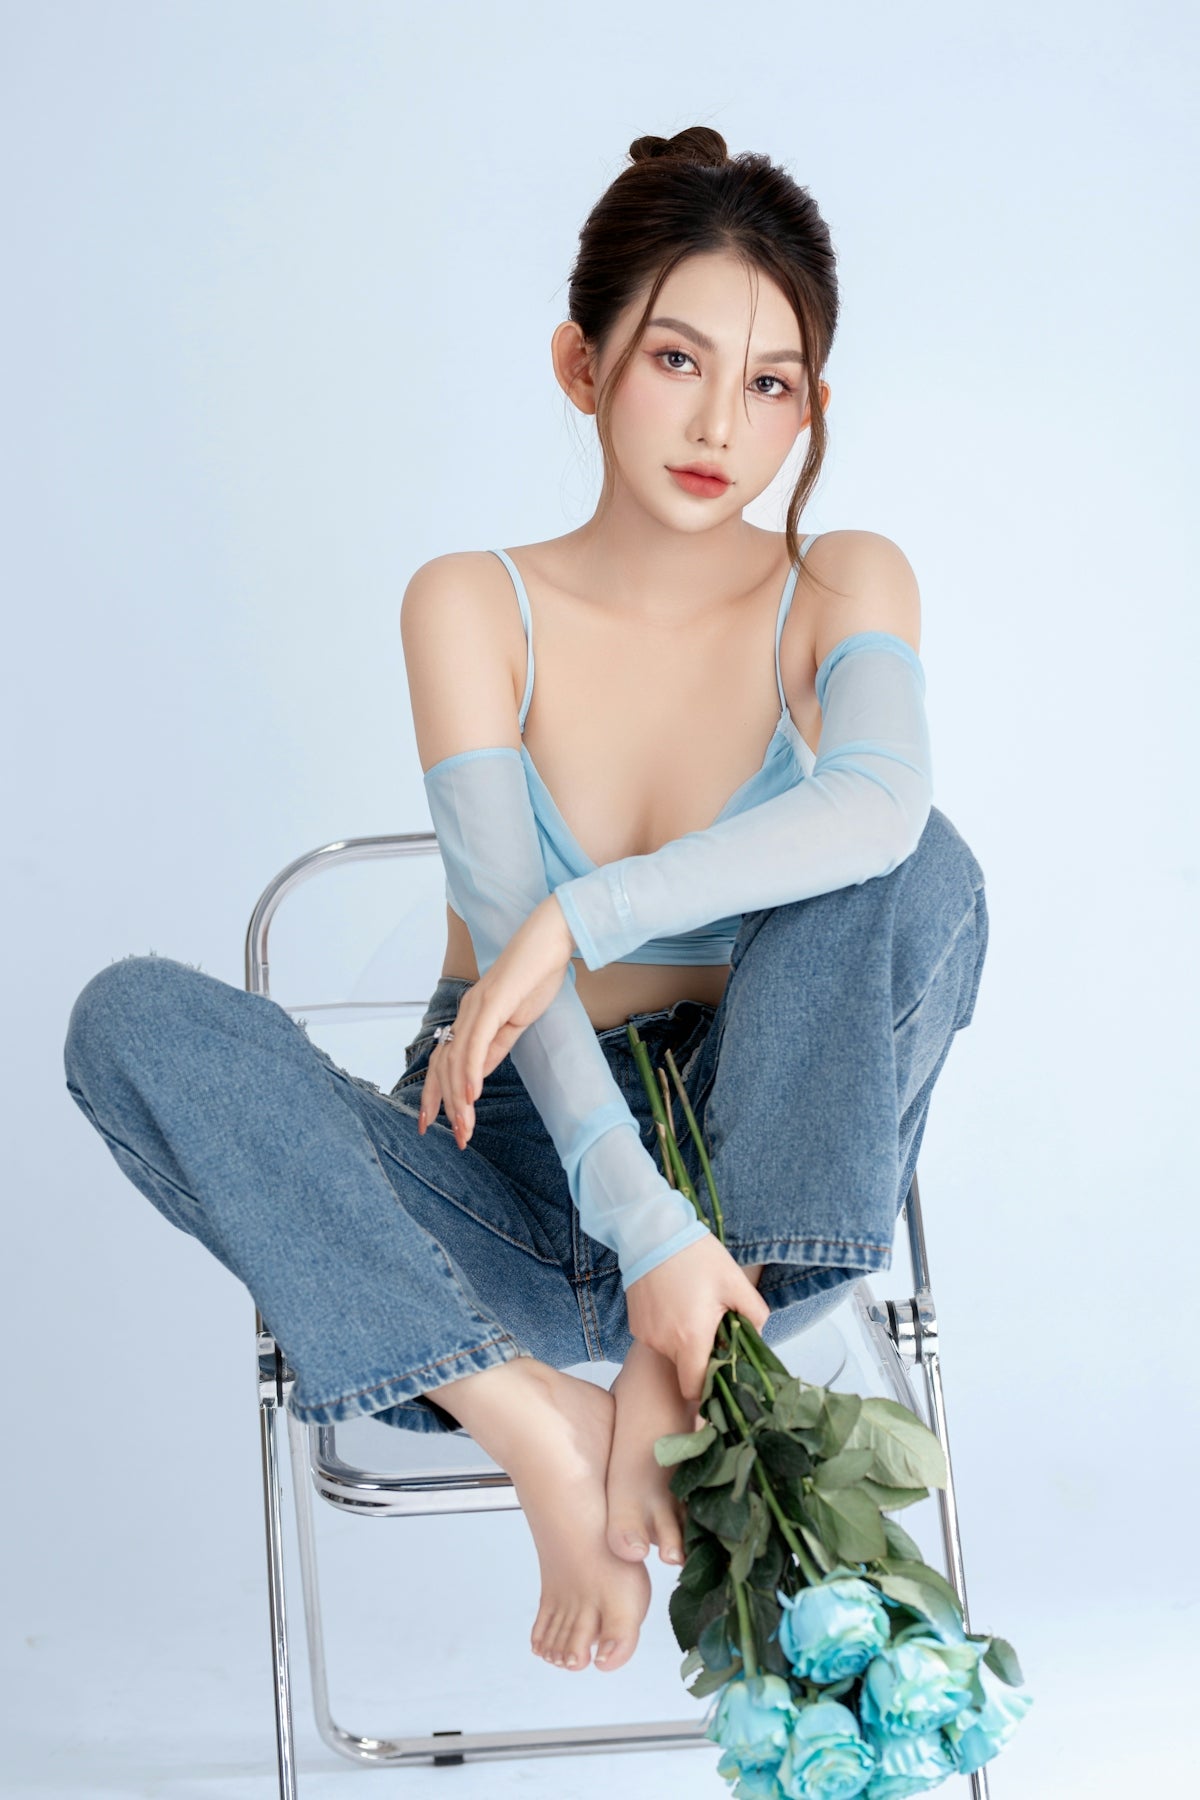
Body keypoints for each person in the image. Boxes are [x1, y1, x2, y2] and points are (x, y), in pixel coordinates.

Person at [62, 126, 989, 1684]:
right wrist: (641, 1235)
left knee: (922, 862)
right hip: (501, 1165)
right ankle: (540, 1422)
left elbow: (883, 803)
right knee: (130, 1020)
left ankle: (677, 1363)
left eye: (772, 384)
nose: (723, 423)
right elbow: (509, 957)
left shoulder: (844, 582)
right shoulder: (469, 601)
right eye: (676, 360)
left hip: (755, 1186)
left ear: (813, 407)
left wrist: (584, 915)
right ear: (582, 364)